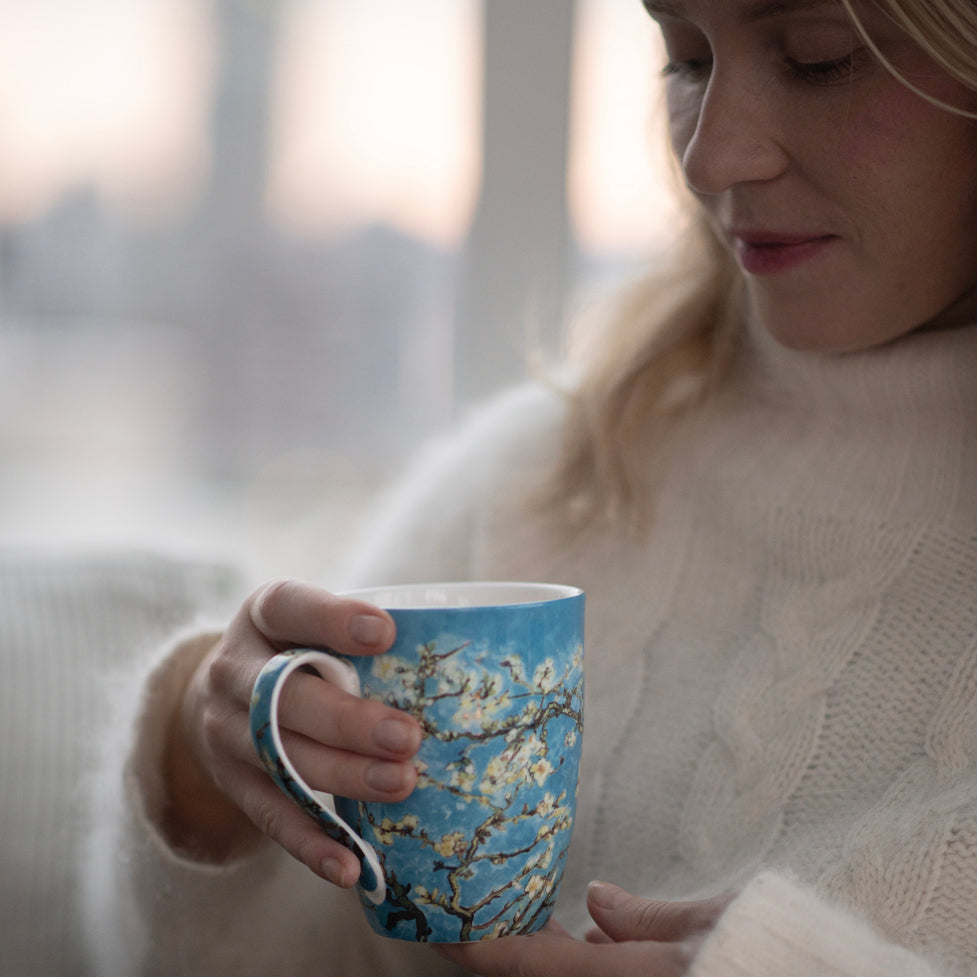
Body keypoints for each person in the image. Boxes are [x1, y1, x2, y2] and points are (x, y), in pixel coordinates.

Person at [79, 0, 977, 974]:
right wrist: (197, 771)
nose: (711, 157)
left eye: (818, 58)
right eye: (682, 59)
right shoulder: (539, 476)